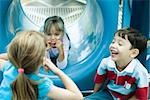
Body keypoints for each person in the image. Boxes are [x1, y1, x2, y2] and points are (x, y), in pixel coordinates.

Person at [0, 30, 83, 100]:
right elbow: (78, 97)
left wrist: (19, 54)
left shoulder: (8, 68)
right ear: (41, 61)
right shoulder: (41, 84)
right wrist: (57, 71)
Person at [84, 28, 149, 100]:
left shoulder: (139, 72)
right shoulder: (106, 63)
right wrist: (94, 96)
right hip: (110, 94)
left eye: (120, 44)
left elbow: (141, 96)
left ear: (133, 53)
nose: (113, 46)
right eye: (113, 42)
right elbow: (99, 81)